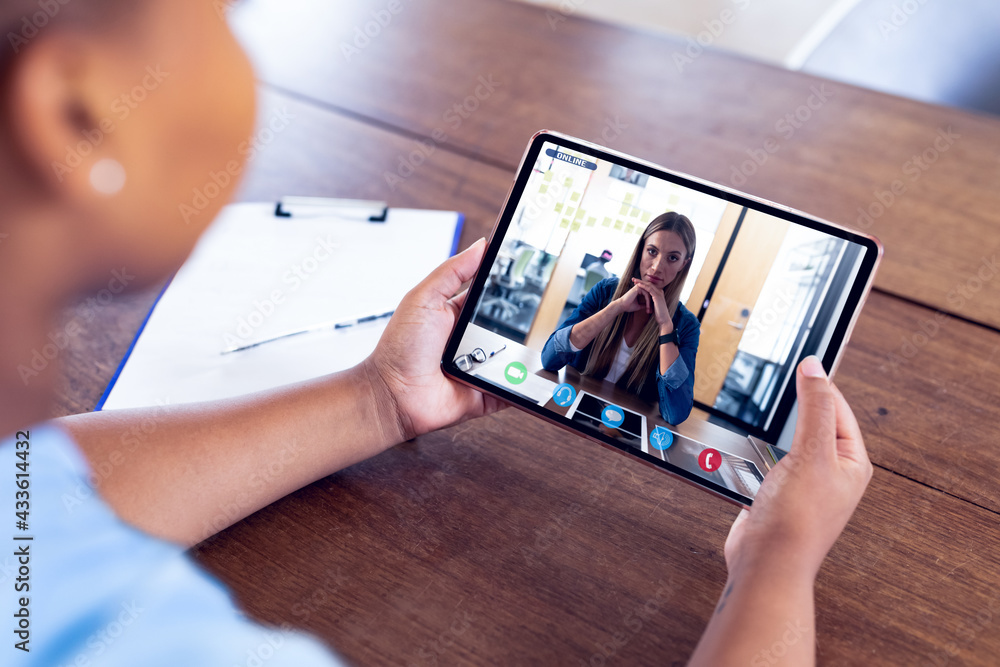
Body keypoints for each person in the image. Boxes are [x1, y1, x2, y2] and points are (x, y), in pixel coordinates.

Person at [0, 1, 871, 664]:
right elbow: (560, 352)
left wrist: (378, 398)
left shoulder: (685, 318)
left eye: (671, 259)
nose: (658, 265)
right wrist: (780, 557)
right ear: (78, 112)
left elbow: (36, 504)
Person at [541, 212, 701, 424]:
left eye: (672, 258)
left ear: (684, 264)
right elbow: (550, 359)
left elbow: (675, 414)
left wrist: (665, 327)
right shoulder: (605, 291)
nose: (657, 266)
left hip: (624, 429)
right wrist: (615, 307)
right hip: (572, 410)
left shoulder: (686, 325)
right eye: (652, 251)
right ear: (641, 250)